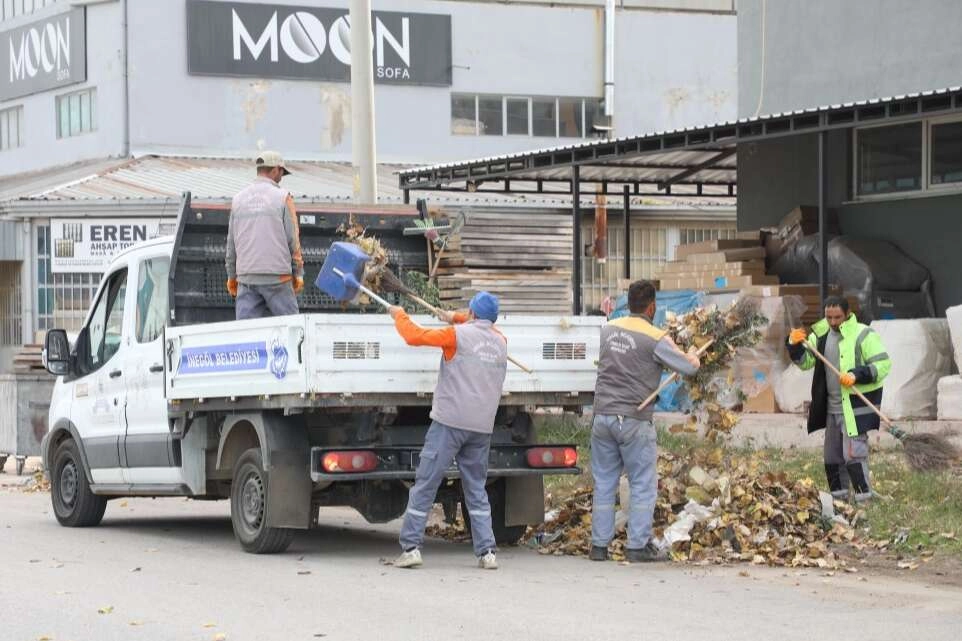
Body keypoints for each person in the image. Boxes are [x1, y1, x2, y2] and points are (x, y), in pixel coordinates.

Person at [387, 292, 507, 570]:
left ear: (473, 314)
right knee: (476, 489)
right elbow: (480, 324)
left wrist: (399, 315)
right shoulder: (501, 341)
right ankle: (487, 552)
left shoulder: (456, 336)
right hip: (481, 428)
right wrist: (452, 316)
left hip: (450, 423)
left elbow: (414, 337)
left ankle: (411, 547)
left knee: (426, 483)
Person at [590, 280, 700, 563]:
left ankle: (599, 546)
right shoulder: (655, 337)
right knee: (642, 483)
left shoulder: (608, 329)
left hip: (602, 416)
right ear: (652, 306)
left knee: (604, 482)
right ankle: (637, 546)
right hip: (633, 419)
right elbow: (687, 367)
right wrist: (695, 358)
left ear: (629, 303)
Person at [786, 296, 891, 502]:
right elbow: (807, 362)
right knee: (832, 458)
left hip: (853, 408)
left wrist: (856, 375)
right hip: (830, 410)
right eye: (829, 317)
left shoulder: (863, 334)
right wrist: (794, 345)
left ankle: (864, 500)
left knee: (853, 454)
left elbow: (883, 365)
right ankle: (839, 501)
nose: (833, 322)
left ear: (847, 313)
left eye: (837, 317)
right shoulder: (821, 335)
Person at [225, 151, 304, 319]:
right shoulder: (283, 198)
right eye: (282, 172)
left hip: (247, 280)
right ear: (275, 170)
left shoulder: (238, 200)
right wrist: (298, 273)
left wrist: (232, 276)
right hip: (278, 279)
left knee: (247, 335)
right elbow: (293, 240)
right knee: (293, 330)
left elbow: (231, 244)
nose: (282, 177)